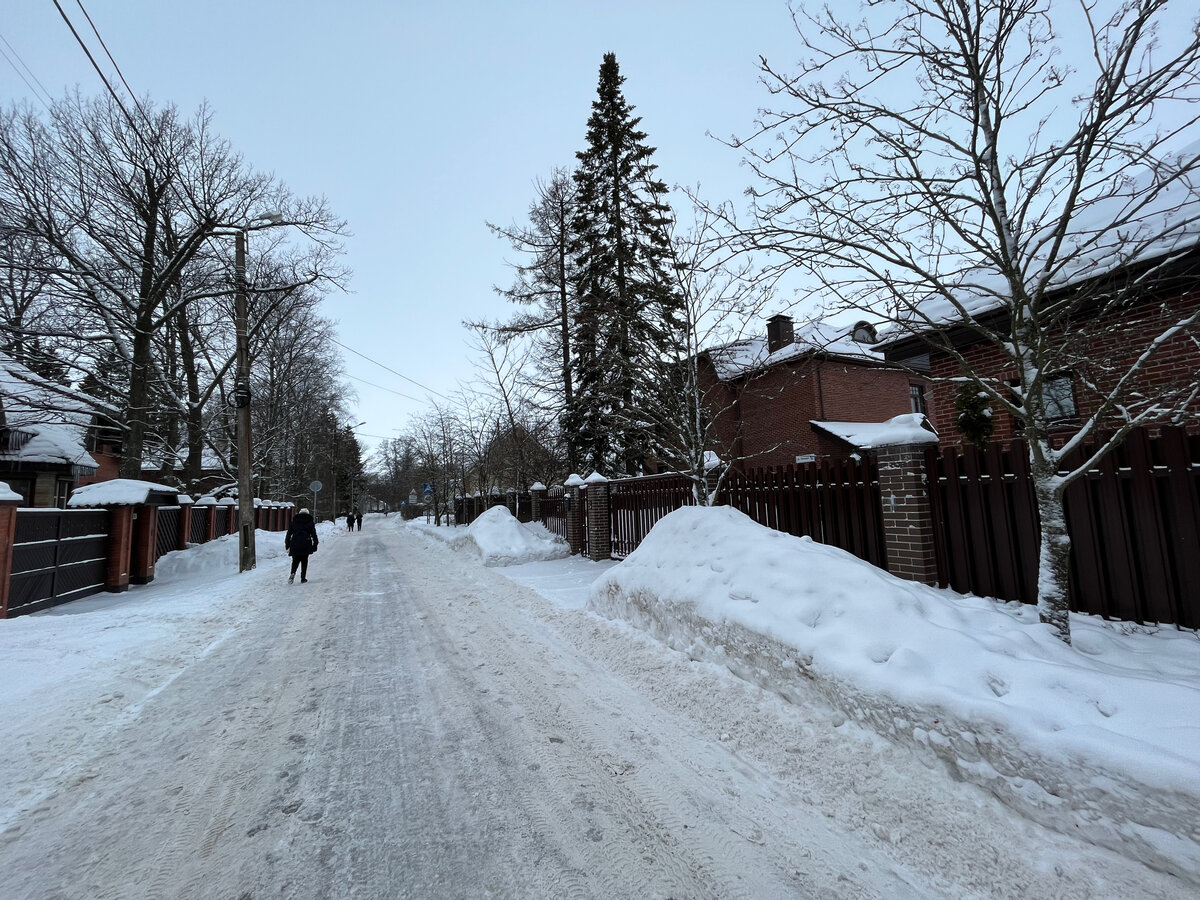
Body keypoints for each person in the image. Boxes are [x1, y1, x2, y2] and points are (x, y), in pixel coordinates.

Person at [285, 508, 318, 584]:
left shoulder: (294, 522)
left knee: (295, 560)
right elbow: (314, 535)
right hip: (305, 543)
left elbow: (288, 534)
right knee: (304, 560)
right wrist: (315, 544)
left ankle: (292, 573)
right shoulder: (310, 522)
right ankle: (303, 578)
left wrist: (287, 544)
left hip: (295, 543)